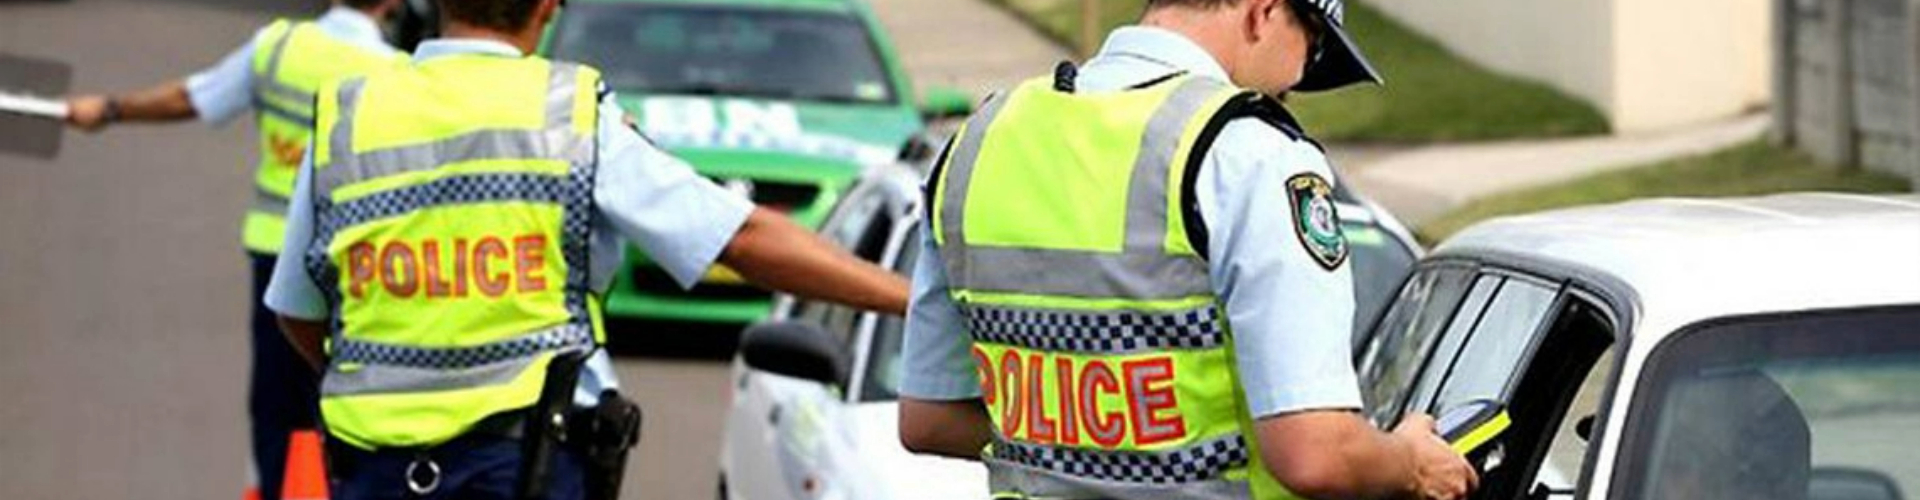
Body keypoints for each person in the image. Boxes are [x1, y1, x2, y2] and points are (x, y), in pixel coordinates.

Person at [262, 0, 909, 498]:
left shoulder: (351, 115)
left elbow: (297, 309)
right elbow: (738, 237)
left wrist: (380, 383)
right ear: (548, 7)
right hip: (524, 465)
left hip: (375, 469)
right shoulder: (566, 115)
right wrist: (913, 297)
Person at [894, 0, 1478, 499]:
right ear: (1263, 12)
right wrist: (1410, 462)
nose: (1297, 81)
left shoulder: (977, 143)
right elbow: (1315, 452)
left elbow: (929, 419)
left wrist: (1080, 445)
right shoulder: (1250, 154)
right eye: (1314, 44)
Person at [60, 2, 406, 499]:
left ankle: (278, 487)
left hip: (274, 256)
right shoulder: (395, 74)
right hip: (353, 265)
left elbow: (193, 96)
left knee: (277, 408)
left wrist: (110, 109)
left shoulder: (278, 48)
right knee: (356, 398)